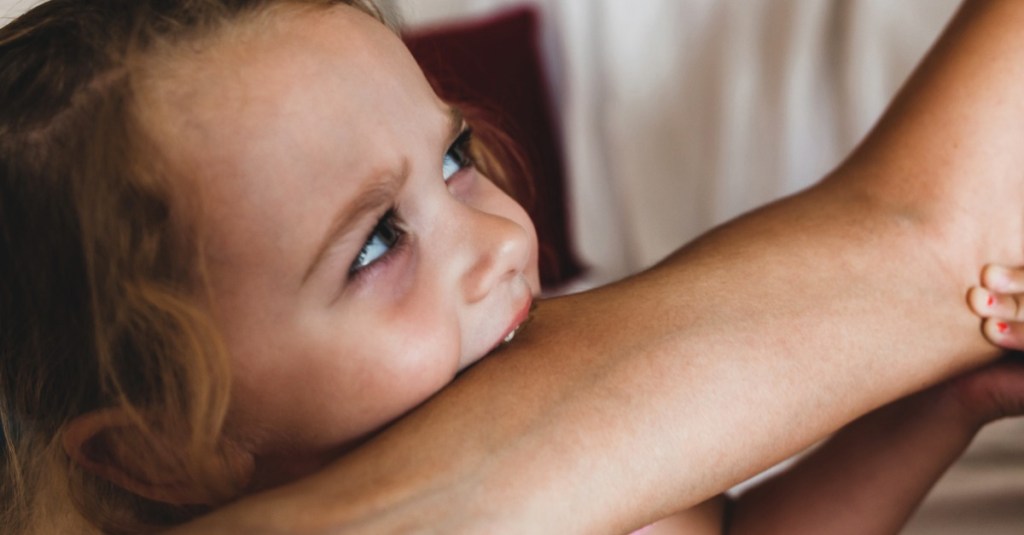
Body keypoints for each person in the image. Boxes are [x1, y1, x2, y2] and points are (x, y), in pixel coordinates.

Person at [0, 0, 1022, 534]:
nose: (495, 242)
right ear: (162, 451)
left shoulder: (562, 409)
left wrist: (934, 406)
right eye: (374, 245)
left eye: (454, 160)